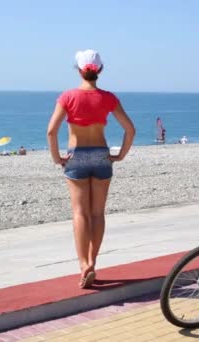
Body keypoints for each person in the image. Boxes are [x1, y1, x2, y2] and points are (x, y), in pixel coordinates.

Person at [47, 49, 135, 289]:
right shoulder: (108, 98)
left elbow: (51, 131)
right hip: (101, 154)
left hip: (76, 155)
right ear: (100, 70)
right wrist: (120, 155)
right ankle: (93, 262)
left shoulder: (67, 97)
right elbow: (130, 129)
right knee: (97, 213)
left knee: (79, 213)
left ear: (78, 69)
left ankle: (83, 263)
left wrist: (57, 158)